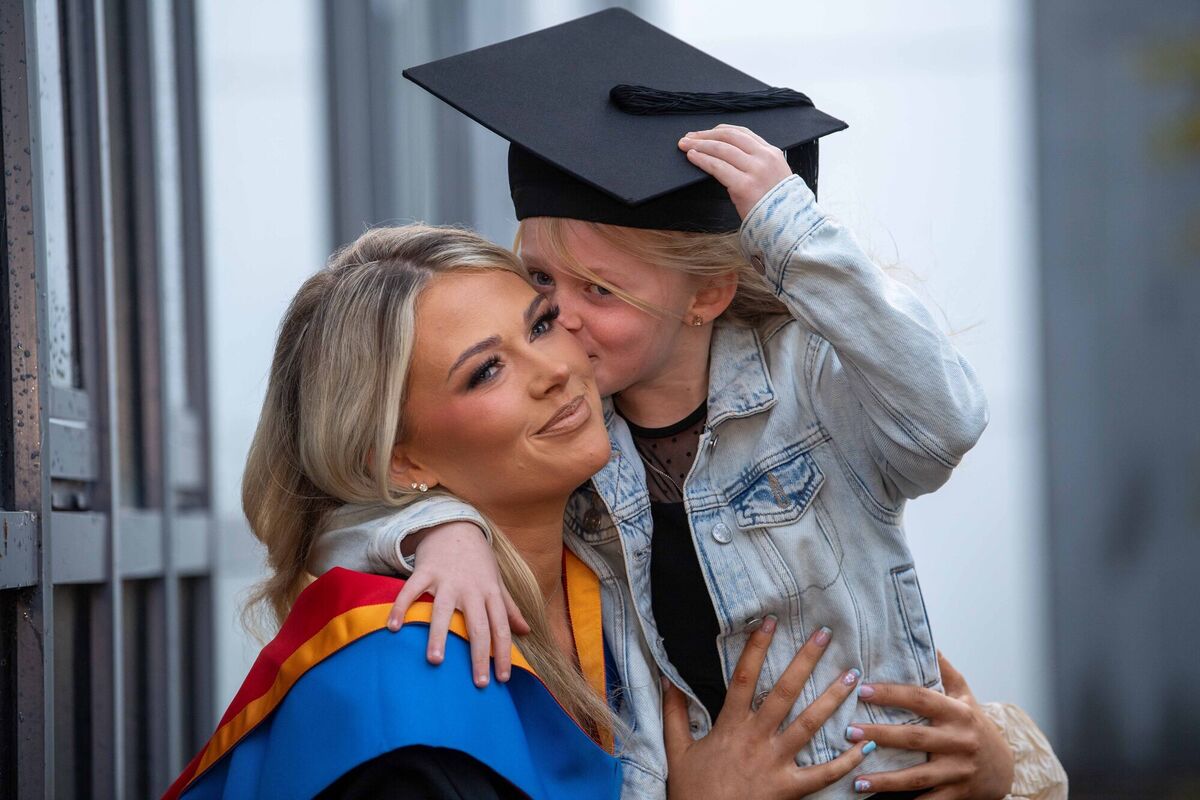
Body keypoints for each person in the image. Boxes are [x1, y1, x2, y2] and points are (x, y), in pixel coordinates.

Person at [316, 9, 1067, 800]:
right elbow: (353, 506)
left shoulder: (811, 387)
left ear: (706, 295)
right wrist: (442, 532)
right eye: (539, 280)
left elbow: (946, 418)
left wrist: (790, 227)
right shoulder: (567, 438)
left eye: (599, 290)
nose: (559, 318)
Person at [162, 225, 877, 800]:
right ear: (400, 462)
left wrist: (941, 749)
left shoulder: (609, 569)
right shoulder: (404, 689)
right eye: (486, 371)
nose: (557, 369)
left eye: (540, 325)